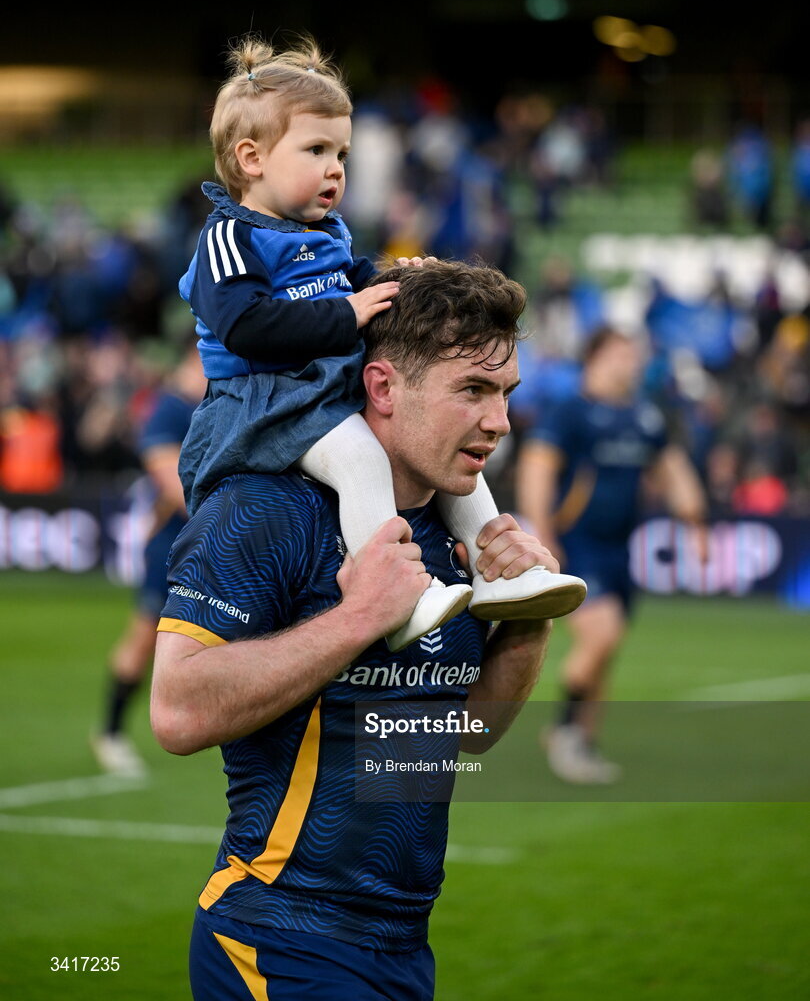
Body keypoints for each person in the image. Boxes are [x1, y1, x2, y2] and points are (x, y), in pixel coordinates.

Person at [150, 259, 557, 1001]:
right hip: (278, 939)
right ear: (383, 388)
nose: (498, 422)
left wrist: (525, 625)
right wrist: (359, 619)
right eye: (472, 389)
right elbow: (176, 711)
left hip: (403, 946)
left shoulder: (454, 531)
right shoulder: (265, 511)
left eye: (504, 394)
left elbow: (462, 734)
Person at [177, 34, 585, 653]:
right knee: (364, 457)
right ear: (251, 158)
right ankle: (398, 597)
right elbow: (246, 327)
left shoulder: (325, 232)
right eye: (316, 149)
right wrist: (347, 313)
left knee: (455, 465)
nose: (336, 167)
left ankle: (496, 572)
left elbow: (355, 279)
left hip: (319, 386)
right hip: (262, 403)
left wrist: (400, 279)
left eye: (341, 152)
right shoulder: (229, 238)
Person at [516, 327, 709, 785]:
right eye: (623, 353)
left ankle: (584, 742)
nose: (633, 362)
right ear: (597, 357)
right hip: (577, 545)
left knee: (607, 649)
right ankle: (564, 733)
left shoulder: (644, 416)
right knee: (600, 636)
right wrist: (542, 532)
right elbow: (537, 467)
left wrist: (695, 524)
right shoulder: (571, 413)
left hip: (620, 551)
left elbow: (672, 469)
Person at [91, 338, 206, 776]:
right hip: (175, 546)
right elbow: (176, 488)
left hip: (204, 543)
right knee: (143, 639)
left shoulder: (207, 402)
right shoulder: (169, 409)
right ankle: (111, 732)